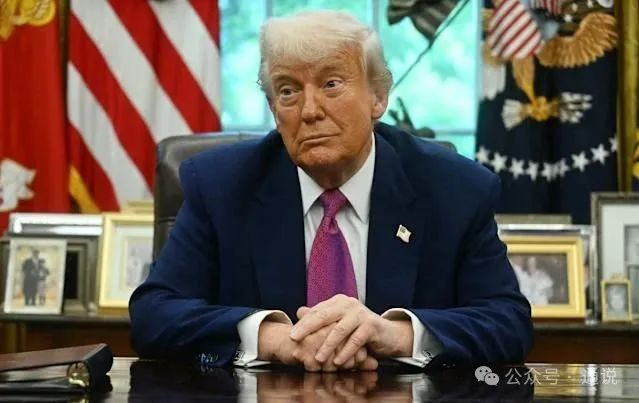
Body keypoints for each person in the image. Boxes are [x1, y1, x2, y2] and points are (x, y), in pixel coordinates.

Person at [129, 10, 533, 371]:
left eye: (331, 84)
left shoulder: (455, 190)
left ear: (378, 97)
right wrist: (273, 338)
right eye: (288, 91)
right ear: (274, 110)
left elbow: (507, 322)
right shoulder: (222, 186)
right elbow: (154, 314)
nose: (309, 111)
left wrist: (392, 334)